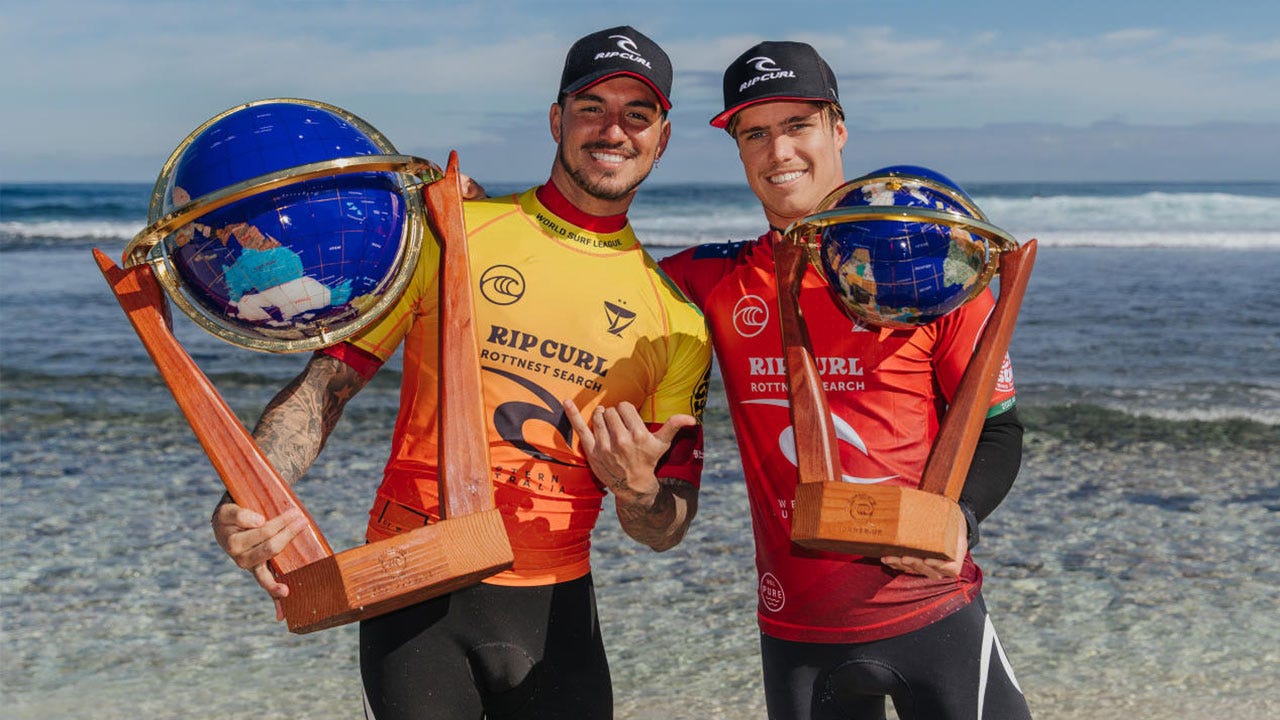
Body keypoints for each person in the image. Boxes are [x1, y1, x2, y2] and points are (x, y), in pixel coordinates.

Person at [211, 26, 711, 720]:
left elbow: (667, 524)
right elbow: (328, 386)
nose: (613, 129)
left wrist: (637, 491)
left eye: (638, 114)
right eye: (592, 106)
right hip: (413, 600)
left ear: (661, 137)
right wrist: (251, 493)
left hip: (555, 611)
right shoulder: (453, 232)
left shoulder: (677, 320)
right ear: (556, 118)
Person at [655, 42, 1032, 719]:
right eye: (755, 133)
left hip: (933, 613)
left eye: (797, 125)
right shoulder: (707, 281)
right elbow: (583, 266)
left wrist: (961, 519)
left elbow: (999, 432)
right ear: (738, 147)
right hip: (797, 635)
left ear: (837, 128)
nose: (779, 152)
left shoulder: (935, 268)